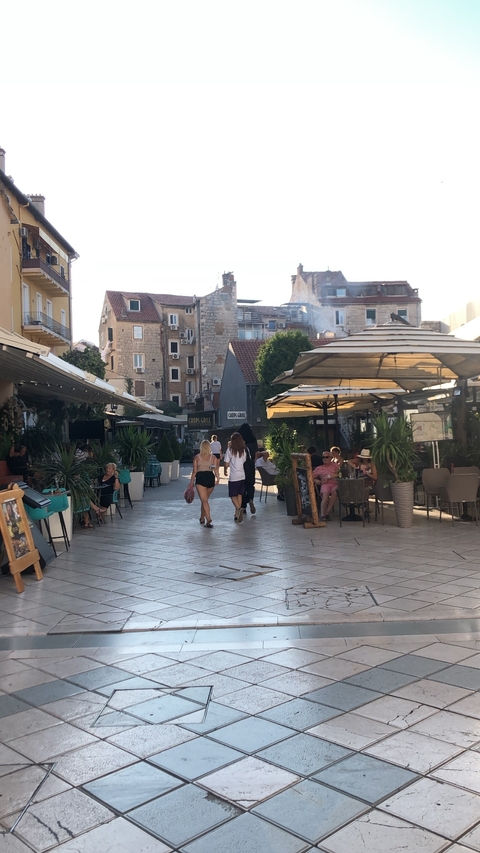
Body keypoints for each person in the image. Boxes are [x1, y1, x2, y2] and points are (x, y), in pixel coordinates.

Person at [189, 440, 219, 527]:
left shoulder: (197, 457)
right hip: (210, 477)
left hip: (201, 478)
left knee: (204, 500)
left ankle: (208, 518)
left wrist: (191, 482)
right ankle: (202, 518)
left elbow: (194, 471)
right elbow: (215, 469)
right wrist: (218, 478)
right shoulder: (213, 458)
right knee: (205, 500)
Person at [224, 431, 247, 522]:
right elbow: (244, 461)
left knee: (233, 496)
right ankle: (237, 514)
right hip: (242, 475)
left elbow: (226, 463)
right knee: (239, 495)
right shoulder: (244, 450)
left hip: (234, 476)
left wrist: (225, 470)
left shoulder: (230, 450)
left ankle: (239, 508)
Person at [313, 449, 340, 521]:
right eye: (323, 457)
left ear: (331, 458)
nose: (325, 459)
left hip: (335, 483)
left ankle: (327, 512)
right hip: (325, 484)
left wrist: (328, 476)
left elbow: (339, 474)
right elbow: (309, 477)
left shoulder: (335, 466)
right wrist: (315, 480)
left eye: (327, 457)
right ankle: (322, 514)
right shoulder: (319, 468)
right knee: (325, 495)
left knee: (335, 491)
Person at [238, 423, 258, 515]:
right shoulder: (253, 439)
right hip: (250, 465)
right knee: (250, 484)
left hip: (241, 465)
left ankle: (243, 506)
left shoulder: (239, 440)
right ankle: (250, 499)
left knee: (242, 486)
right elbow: (256, 454)